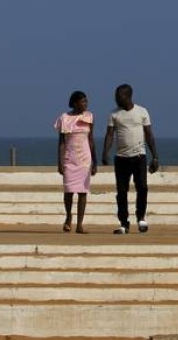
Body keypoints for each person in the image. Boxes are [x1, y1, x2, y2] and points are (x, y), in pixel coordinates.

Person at [102, 83, 159, 234]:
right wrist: (105, 152)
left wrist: (155, 156)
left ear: (127, 96)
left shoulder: (142, 111)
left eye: (118, 96)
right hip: (121, 158)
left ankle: (141, 217)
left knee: (142, 187)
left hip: (139, 156)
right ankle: (123, 223)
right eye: (115, 96)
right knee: (121, 191)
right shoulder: (114, 114)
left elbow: (149, 134)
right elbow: (109, 135)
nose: (116, 99)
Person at [54, 90, 96, 233]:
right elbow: (61, 142)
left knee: (83, 192)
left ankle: (79, 224)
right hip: (69, 158)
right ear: (75, 103)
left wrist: (95, 162)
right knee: (69, 191)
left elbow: (91, 140)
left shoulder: (89, 117)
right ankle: (68, 217)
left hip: (85, 158)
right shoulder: (64, 118)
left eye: (86, 101)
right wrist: (60, 162)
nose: (86, 104)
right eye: (83, 101)